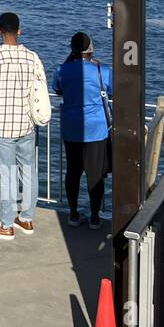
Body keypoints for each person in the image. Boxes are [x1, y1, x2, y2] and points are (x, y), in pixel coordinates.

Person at [0, 12, 48, 241]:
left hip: (2, 126)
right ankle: (26, 218)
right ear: (19, 30)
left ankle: (5, 224)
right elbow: (39, 89)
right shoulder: (32, 57)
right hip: (26, 125)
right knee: (28, 172)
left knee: (6, 175)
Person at [53, 31, 113, 229]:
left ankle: (72, 213)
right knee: (95, 175)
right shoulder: (102, 70)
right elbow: (111, 89)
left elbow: (58, 89)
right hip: (97, 129)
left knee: (72, 172)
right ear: (91, 49)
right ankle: (95, 216)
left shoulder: (62, 70)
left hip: (71, 128)